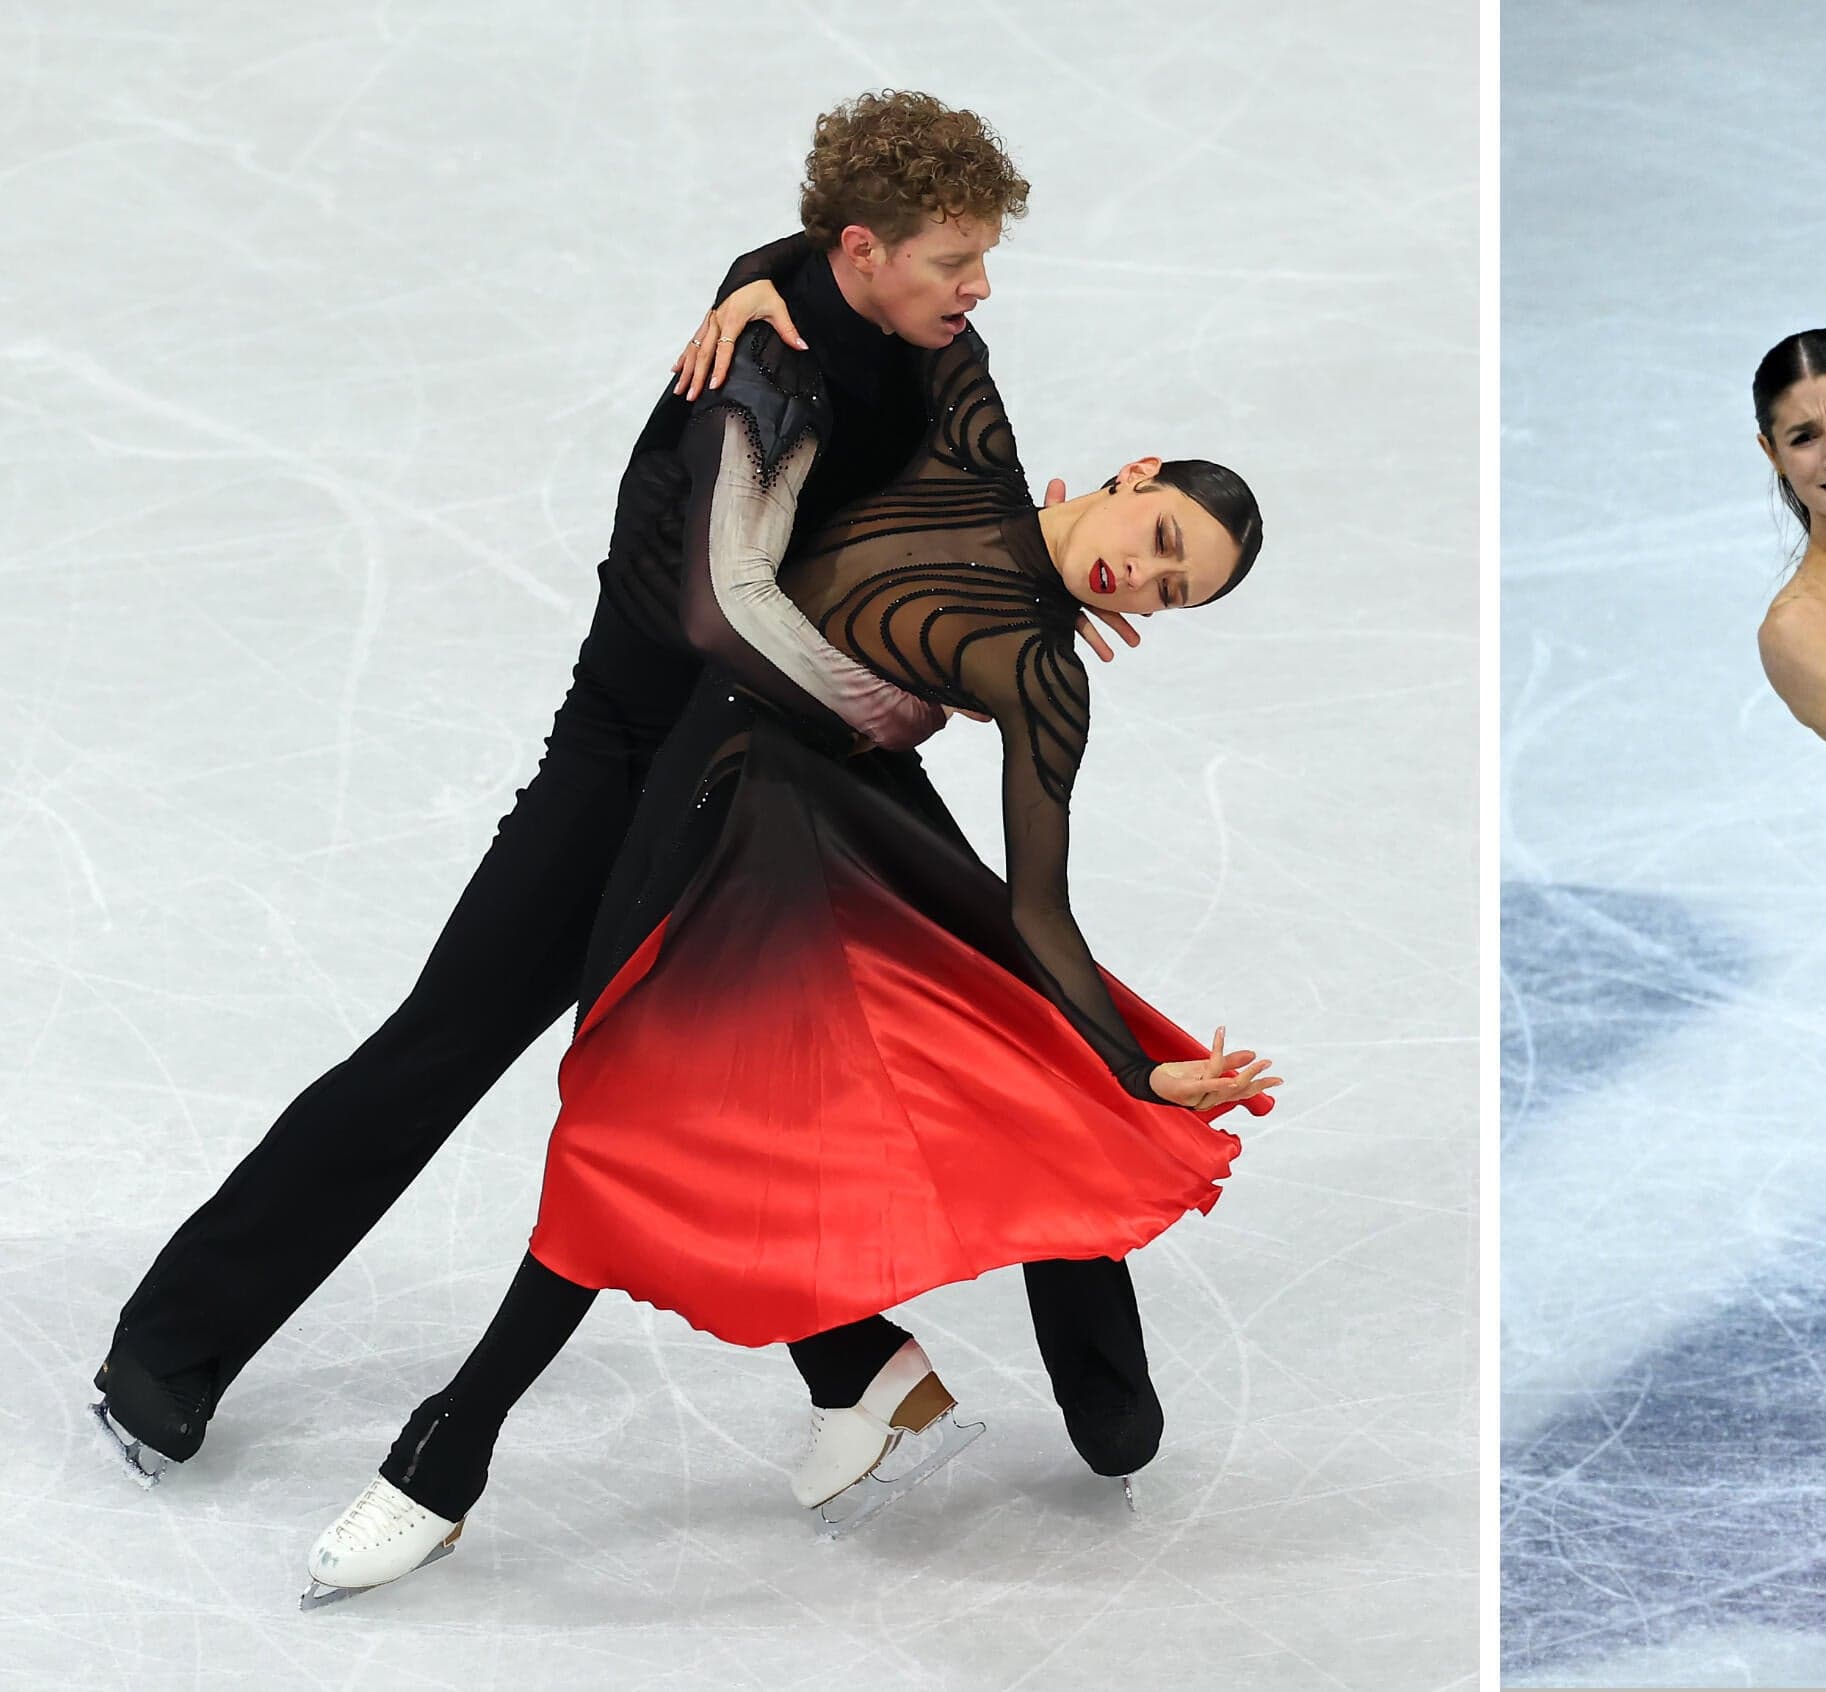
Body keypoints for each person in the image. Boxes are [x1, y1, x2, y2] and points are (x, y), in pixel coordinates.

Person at [93, 91, 1163, 1499]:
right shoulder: (758, 380)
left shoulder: (917, 340)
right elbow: (725, 615)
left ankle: (1059, 1379)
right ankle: (170, 1346)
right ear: (860, 249)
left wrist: (1038, 597)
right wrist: (908, 696)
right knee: (462, 1038)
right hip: (641, 751)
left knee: (1007, 999)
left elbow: (975, 500)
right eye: (954, 256)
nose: (980, 285)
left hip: (814, 758)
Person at [300, 311, 1279, 1603]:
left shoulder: (1044, 672)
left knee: (619, 1143)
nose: (1140, 579)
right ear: (1136, 474)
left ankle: (440, 1462)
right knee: (643, 1131)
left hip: (800, 859)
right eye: (1159, 543)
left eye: (1172, 591)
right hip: (687, 806)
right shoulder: (970, 446)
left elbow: (1040, 907)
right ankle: (862, 1378)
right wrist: (759, 283)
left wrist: (1135, 1076)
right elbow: (891, 281)